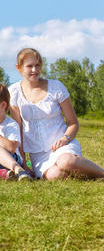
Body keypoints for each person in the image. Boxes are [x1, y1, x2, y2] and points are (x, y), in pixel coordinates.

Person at [9, 48, 104, 180]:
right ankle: (88, 176)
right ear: (18, 68)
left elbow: (73, 123)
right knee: (56, 175)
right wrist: (23, 163)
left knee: (66, 162)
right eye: (29, 66)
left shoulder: (56, 87)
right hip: (38, 154)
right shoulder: (14, 92)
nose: (34, 70)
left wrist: (65, 139)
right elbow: (18, 131)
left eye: (37, 65)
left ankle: (101, 173)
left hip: (63, 146)